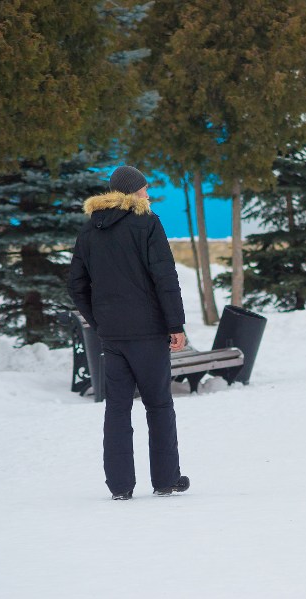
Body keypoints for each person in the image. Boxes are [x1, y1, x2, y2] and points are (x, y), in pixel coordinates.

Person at [68, 165, 190, 500]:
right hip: (149, 333)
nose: (148, 195)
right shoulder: (148, 224)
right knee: (159, 405)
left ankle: (120, 486)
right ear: (132, 193)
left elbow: (76, 285)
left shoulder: (89, 231)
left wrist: (99, 320)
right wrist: (174, 325)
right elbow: (164, 278)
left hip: (113, 336)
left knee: (117, 409)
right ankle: (166, 479)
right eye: (144, 190)